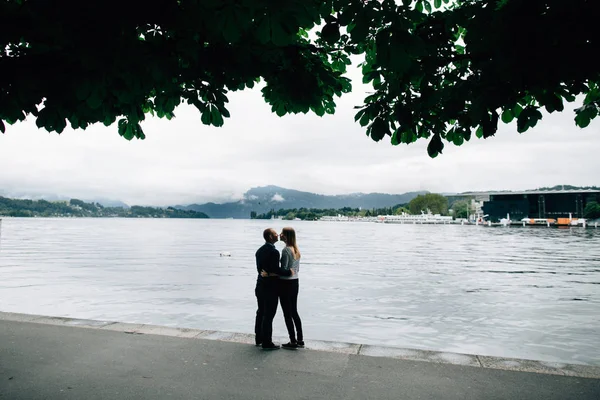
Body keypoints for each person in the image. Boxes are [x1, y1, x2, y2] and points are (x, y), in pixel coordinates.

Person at [261, 227, 303, 350]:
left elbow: (283, 270)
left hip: (285, 284)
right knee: (294, 311)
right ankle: (300, 339)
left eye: (282, 233)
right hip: (295, 282)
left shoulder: (285, 251)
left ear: (287, 236)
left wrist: (268, 274)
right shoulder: (296, 249)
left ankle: (293, 340)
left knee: (287, 314)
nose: (280, 234)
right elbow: (294, 270)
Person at [255, 228, 292, 350]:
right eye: (275, 234)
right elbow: (276, 269)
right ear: (270, 237)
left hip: (260, 285)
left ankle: (258, 337)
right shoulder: (274, 252)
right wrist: (288, 272)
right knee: (269, 315)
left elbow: (260, 270)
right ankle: (267, 342)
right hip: (270, 288)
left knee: (260, 312)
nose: (277, 235)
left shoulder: (259, 251)